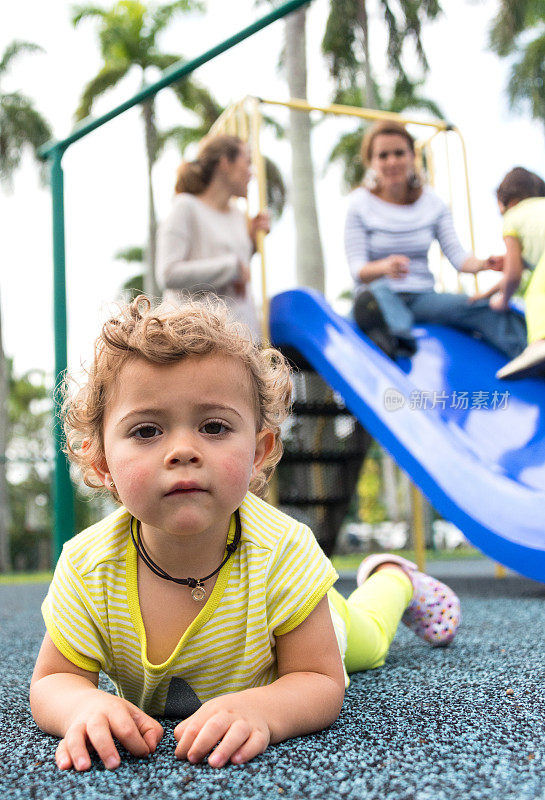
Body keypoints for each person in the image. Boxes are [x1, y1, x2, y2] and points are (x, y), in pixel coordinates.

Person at [30, 295, 461, 772]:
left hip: (303, 620)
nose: (182, 451)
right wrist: (83, 707)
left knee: (369, 641)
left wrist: (265, 710)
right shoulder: (88, 568)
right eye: (147, 431)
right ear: (99, 461)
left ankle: (392, 579)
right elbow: (53, 681)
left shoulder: (284, 551)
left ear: (259, 451)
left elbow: (318, 678)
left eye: (213, 427)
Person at [344, 120, 527, 360]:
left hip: (421, 297)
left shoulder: (433, 203)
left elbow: (459, 258)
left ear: (412, 156)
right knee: (378, 296)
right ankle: (397, 338)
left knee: (482, 306)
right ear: (372, 162)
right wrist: (385, 267)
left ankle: (527, 350)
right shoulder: (359, 203)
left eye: (399, 153)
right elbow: (358, 269)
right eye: (383, 155)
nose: (392, 162)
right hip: (379, 294)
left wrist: (484, 264)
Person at [156, 134, 270, 340]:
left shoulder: (237, 214)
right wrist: (232, 268)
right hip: (196, 342)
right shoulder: (185, 207)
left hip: (242, 341)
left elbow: (235, 273)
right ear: (225, 163)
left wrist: (251, 243)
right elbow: (168, 274)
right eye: (247, 162)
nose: (251, 173)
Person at [473, 167, 545, 379]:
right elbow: (520, 271)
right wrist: (486, 294)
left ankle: (540, 342)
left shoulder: (512, 217)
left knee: (536, 291)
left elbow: (514, 276)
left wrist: (503, 300)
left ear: (505, 201)